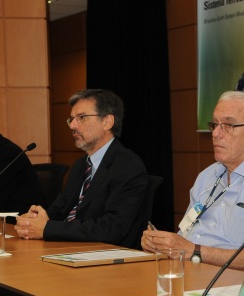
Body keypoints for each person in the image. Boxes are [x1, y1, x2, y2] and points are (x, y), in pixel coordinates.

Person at [141, 91, 244, 269]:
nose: (215, 133)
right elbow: (186, 233)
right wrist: (162, 245)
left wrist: (194, 251)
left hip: (234, 283)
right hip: (190, 270)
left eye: (228, 125)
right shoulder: (207, 176)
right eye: (215, 124)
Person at [15, 89, 148, 247]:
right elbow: (59, 210)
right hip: (71, 249)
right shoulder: (80, 165)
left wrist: (47, 228)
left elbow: (112, 228)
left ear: (107, 122)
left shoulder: (128, 166)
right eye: (71, 119)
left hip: (105, 258)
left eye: (81, 118)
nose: (72, 125)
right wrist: (34, 221)